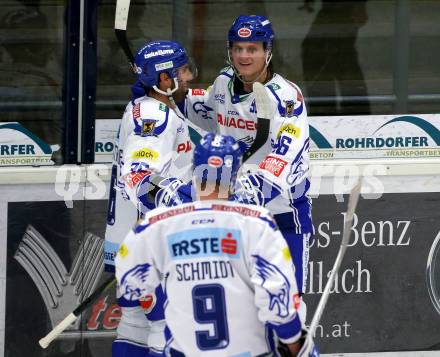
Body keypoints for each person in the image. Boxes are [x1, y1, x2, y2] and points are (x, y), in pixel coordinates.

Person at [115, 133, 319, 356]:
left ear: (195, 168)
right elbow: (277, 298)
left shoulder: (158, 222)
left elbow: (130, 284)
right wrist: (295, 342)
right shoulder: (257, 222)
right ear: (237, 173)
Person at [184, 15, 313, 321]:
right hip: (236, 216)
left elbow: (282, 157)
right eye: (238, 48)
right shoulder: (222, 84)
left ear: (267, 51)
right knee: (237, 307)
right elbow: (203, 112)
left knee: (286, 309)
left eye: (252, 48)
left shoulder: (287, 98)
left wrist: (245, 194)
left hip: (283, 214)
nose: (244, 56)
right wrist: (167, 94)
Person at [104, 40, 196, 357]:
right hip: (152, 242)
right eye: (182, 71)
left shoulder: (149, 108)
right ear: (164, 80)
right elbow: (139, 176)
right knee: (167, 326)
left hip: (127, 240)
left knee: (135, 324)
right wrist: (181, 200)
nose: (189, 77)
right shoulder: (155, 116)